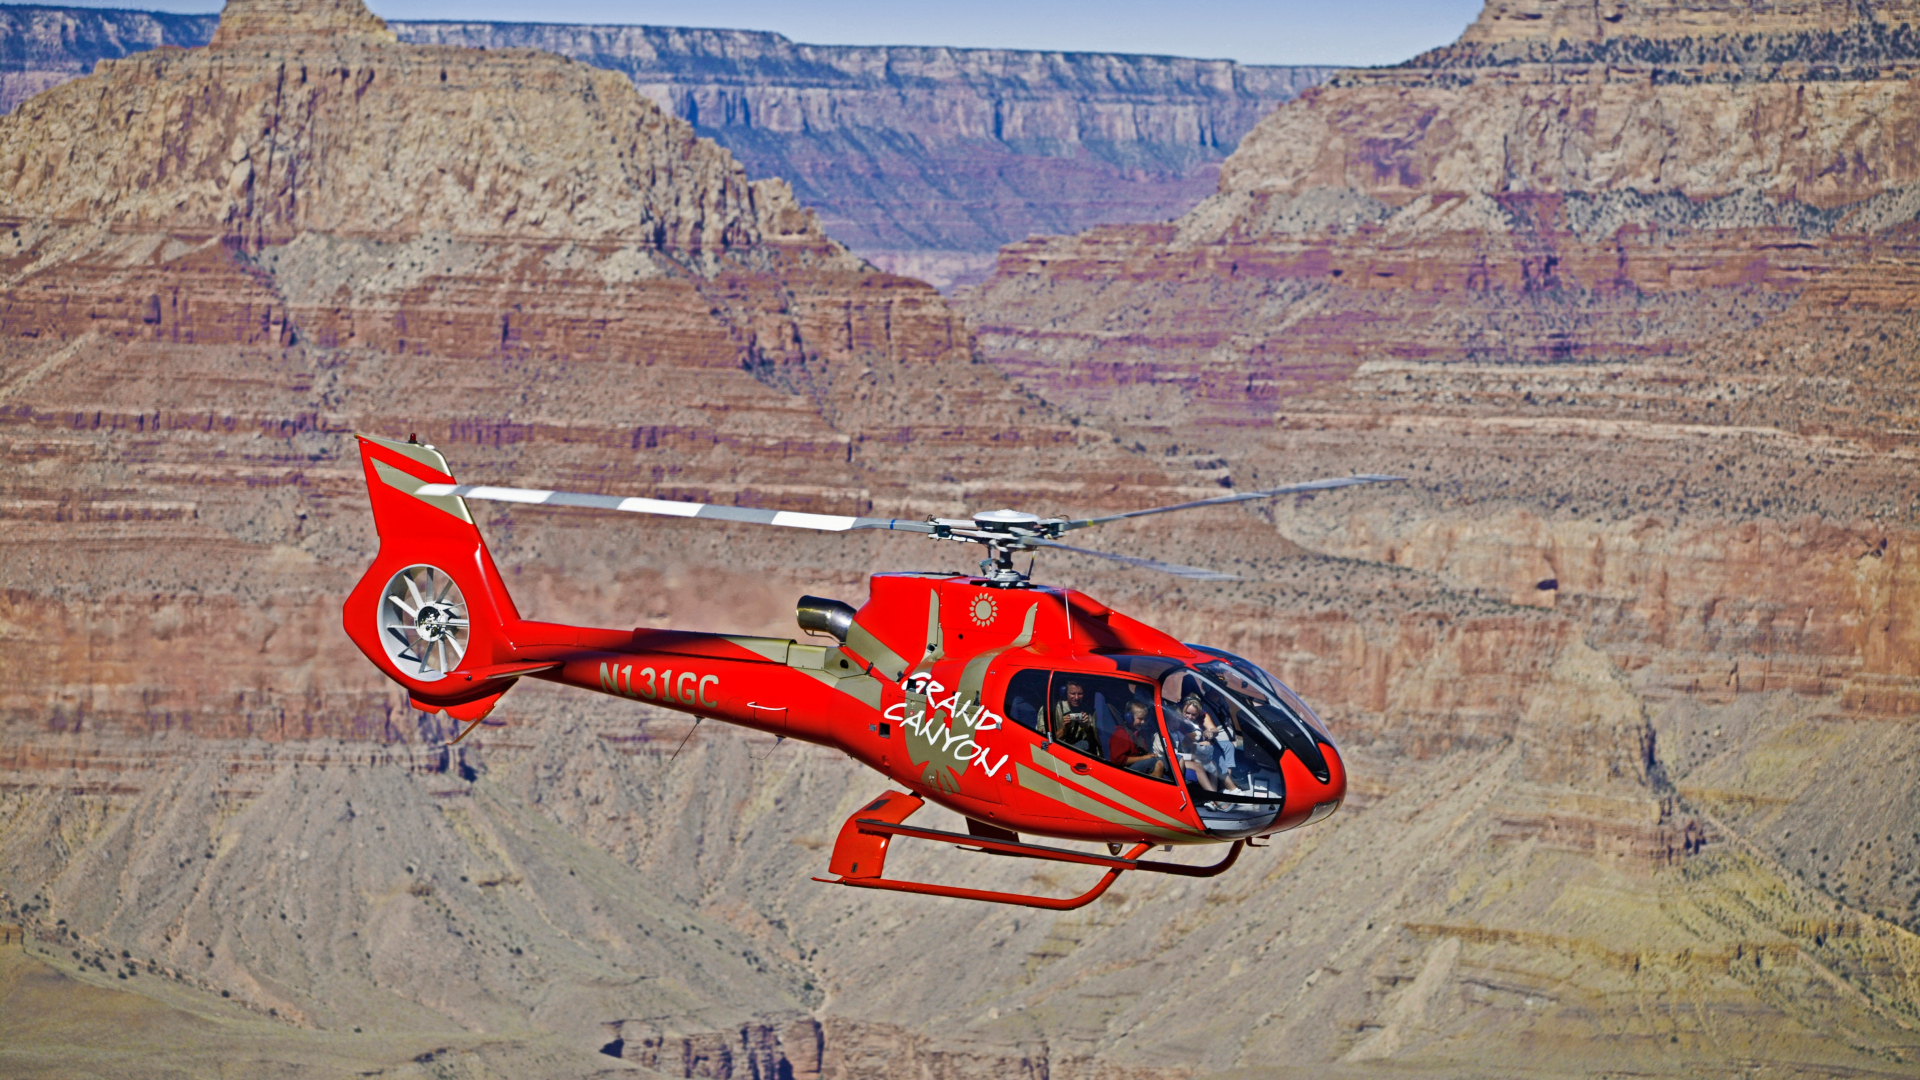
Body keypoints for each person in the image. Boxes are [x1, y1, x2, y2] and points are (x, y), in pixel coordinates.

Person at [1180, 695, 1236, 790]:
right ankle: (1230, 787)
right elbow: (1185, 742)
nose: (1190, 717)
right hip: (1187, 749)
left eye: (1194, 715)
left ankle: (1223, 786)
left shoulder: (1203, 716)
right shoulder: (1176, 718)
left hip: (1199, 746)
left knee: (1228, 745)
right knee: (1214, 753)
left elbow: (1214, 730)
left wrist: (1210, 732)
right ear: (1182, 710)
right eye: (1187, 713)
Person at [1109, 700, 1169, 778]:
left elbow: (1140, 751)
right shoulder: (1121, 733)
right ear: (1129, 717)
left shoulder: (1140, 733)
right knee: (1157, 762)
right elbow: (1117, 760)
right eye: (1140, 719)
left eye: (1144, 719)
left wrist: (1148, 755)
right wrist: (1144, 758)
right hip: (1125, 769)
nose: (1143, 722)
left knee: (1173, 760)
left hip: (1138, 763)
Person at [1051, 679, 1099, 756]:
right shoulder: (1053, 710)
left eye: (1080, 694)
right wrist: (1064, 729)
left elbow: (1094, 743)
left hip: (1078, 750)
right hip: (1057, 750)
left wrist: (1087, 727)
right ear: (1066, 693)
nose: (1076, 698)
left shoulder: (1087, 710)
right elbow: (1043, 742)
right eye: (1072, 693)